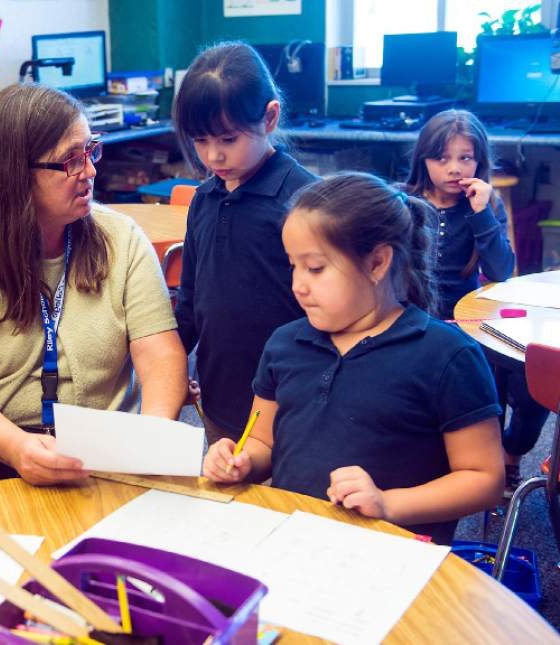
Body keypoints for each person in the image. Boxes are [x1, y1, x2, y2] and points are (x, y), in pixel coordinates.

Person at [0, 83, 188, 491]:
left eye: (91, 150)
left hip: (100, 448)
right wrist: (17, 447)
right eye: (71, 161)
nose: (90, 170)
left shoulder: (121, 238)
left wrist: (151, 438)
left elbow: (160, 353)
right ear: (16, 173)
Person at [203, 173, 504, 544]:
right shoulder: (284, 344)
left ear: (377, 262)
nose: (298, 284)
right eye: (293, 266)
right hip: (293, 540)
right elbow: (262, 442)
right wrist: (241, 462)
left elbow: (484, 479)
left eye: (315, 268)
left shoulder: (448, 356)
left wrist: (387, 503)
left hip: (393, 555)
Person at [172, 42, 318, 445]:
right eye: (200, 141)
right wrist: (168, 365)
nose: (213, 156)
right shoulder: (204, 198)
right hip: (221, 399)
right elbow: (190, 301)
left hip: (293, 403)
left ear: (270, 117)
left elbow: (334, 313)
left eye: (228, 139)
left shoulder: (308, 202)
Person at [406, 109, 548, 496]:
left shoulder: (483, 205)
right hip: (416, 318)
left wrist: (482, 212)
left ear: (479, 161)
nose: (454, 168)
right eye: (442, 158)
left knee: (529, 386)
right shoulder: (405, 203)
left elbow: (501, 271)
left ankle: (511, 456)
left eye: (465, 158)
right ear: (424, 160)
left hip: (470, 322)